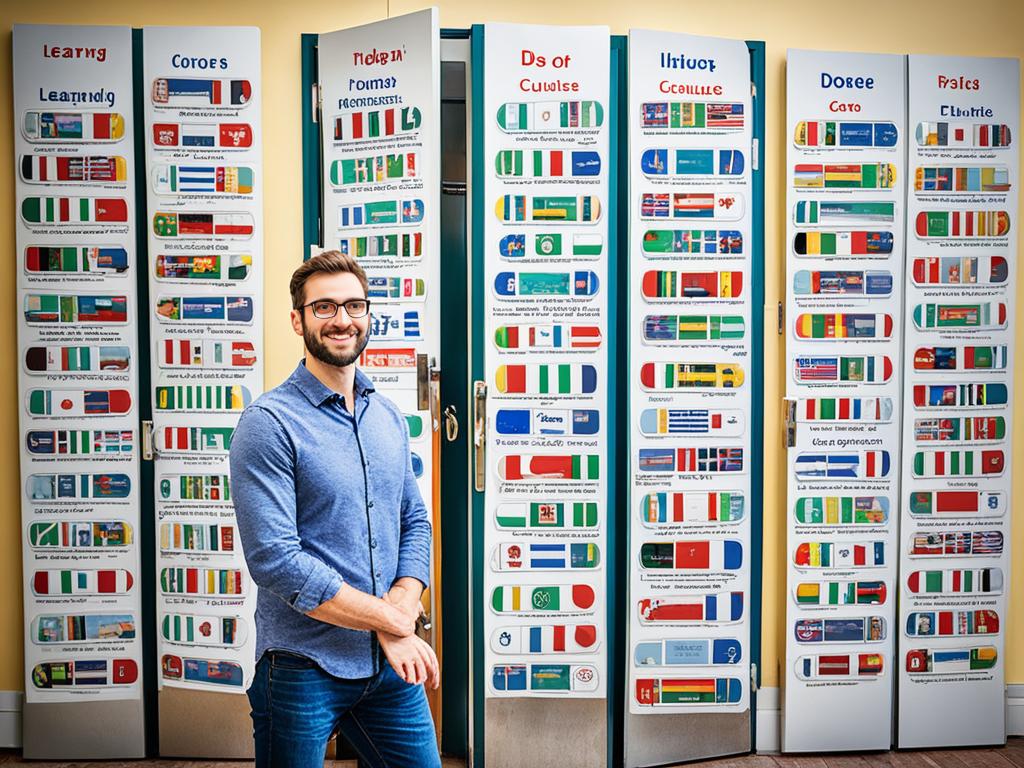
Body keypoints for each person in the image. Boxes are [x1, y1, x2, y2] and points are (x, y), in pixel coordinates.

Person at [230, 250, 440, 768]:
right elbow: (276, 560)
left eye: (353, 306)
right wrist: (394, 623)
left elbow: (414, 521)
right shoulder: (268, 423)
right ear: (297, 319)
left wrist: (399, 611)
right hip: (304, 666)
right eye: (324, 307)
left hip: (386, 668)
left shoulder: (387, 416)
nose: (342, 320)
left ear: (368, 315)